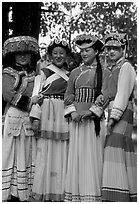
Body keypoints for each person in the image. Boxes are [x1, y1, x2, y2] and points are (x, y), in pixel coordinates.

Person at [93, 33, 137, 202]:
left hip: (123, 111)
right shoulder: (108, 69)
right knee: (113, 149)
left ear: (123, 49)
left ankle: (119, 194)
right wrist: (99, 103)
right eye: (108, 48)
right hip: (112, 110)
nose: (110, 52)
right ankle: (119, 191)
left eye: (115, 48)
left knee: (115, 146)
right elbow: (106, 93)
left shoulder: (126, 67)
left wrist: (113, 118)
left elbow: (123, 94)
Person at [64, 34, 106, 202]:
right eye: (81, 51)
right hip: (77, 121)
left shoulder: (104, 71)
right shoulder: (75, 72)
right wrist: (73, 112)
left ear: (96, 51)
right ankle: (77, 194)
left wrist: (93, 111)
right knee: (78, 157)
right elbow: (68, 95)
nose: (83, 53)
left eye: (87, 50)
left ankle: (93, 194)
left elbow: (107, 95)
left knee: (94, 156)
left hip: (93, 121)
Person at [30, 38, 72, 201]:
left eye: (62, 53)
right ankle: (43, 189)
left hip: (62, 112)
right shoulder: (43, 72)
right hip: (47, 111)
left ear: (67, 55)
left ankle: (59, 190)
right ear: (50, 55)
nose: (59, 56)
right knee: (45, 150)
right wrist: (35, 117)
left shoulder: (71, 74)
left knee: (62, 150)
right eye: (55, 53)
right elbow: (36, 94)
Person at [2, 35, 39, 201]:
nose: (23, 56)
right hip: (15, 117)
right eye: (19, 54)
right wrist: (31, 102)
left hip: (29, 119)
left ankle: (26, 190)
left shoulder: (35, 73)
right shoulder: (9, 73)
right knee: (12, 153)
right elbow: (8, 94)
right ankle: (10, 192)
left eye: (26, 53)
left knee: (28, 152)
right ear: (13, 56)